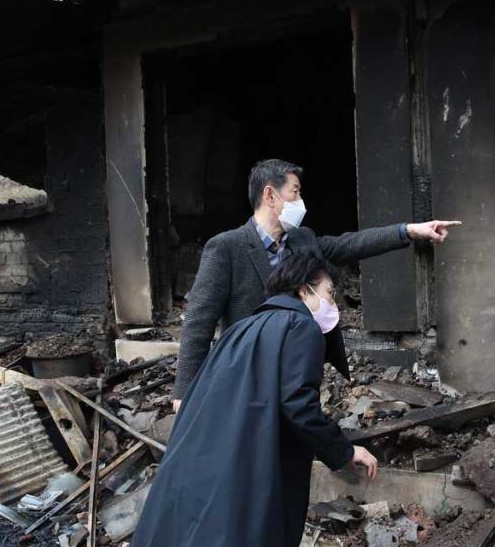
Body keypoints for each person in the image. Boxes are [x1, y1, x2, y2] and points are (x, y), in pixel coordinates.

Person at [117, 253, 378, 547]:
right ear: (305, 291)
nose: (334, 304)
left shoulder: (245, 327)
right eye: (330, 293)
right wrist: (345, 450)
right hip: (251, 463)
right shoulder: (299, 327)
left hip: (213, 458)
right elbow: (299, 407)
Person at [172, 157, 460, 412]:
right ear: (270, 195)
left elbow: (349, 244)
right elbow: (199, 320)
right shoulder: (226, 248)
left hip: (294, 369)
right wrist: (184, 392)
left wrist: (408, 231)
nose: (301, 202)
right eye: (295, 193)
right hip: (248, 372)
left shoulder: (301, 239)